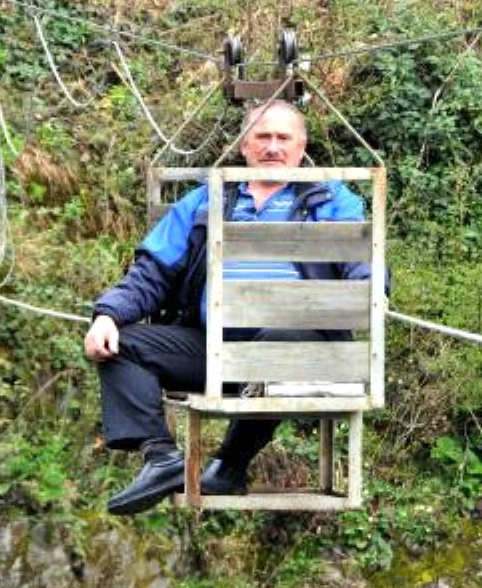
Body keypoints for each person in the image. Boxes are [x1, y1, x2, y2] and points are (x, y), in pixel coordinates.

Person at [84, 100, 373, 515]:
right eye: (263, 136)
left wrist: (367, 293)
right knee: (121, 345)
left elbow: (364, 261)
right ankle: (161, 457)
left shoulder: (330, 199)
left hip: (293, 343)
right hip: (214, 346)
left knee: (278, 341)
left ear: (301, 146)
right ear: (244, 144)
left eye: (283, 138)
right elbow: (152, 271)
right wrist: (108, 314)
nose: (273, 147)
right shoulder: (206, 201)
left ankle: (231, 463)